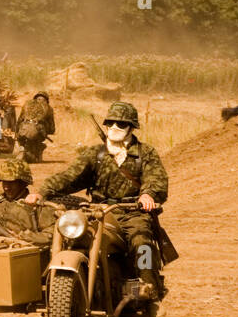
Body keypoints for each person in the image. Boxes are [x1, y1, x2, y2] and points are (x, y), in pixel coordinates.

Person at [31, 102, 168, 300]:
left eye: (121, 124)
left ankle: (149, 290)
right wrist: (42, 192)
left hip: (131, 211)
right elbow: (69, 176)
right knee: (67, 234)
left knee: (142, 242)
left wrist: (148, 195)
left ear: (131, 127)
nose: (114, 128)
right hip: (98, 211)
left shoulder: (145, 153)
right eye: (110, 123)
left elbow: (156, 179)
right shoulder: (95, 153)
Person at [16, 91, 56, 162]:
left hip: (22, 130)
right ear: (46, 100)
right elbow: (52, 128)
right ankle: (35, 151)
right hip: (35, 133)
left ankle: (22, 148)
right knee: (37, 140)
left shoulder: (27, 104)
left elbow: (19, 120)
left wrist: (17, 134)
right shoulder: (48, 108)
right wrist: (46, 131)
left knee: (23, 139)